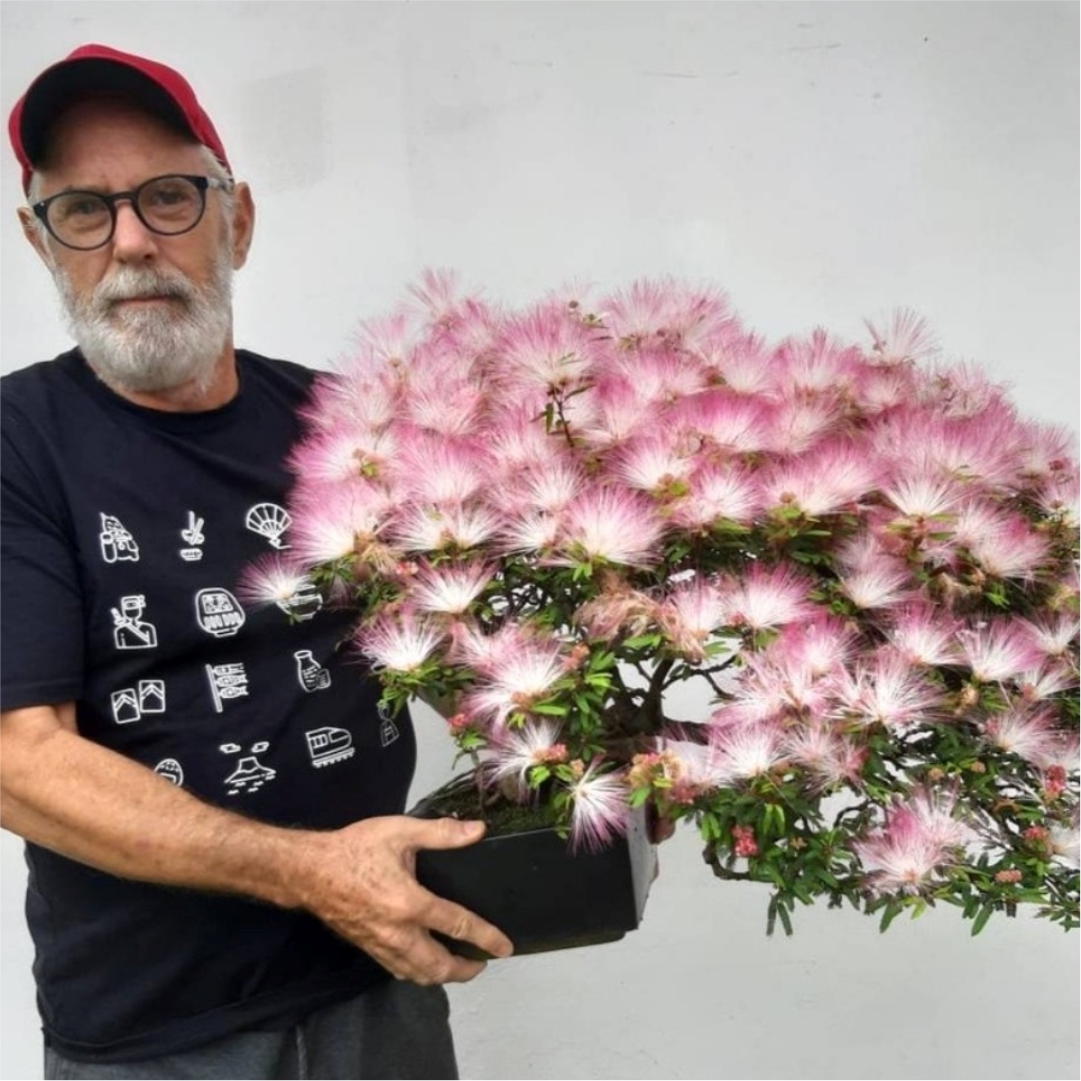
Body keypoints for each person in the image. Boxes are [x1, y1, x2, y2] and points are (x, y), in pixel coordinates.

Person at [0, 44, 513, 1081]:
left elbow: (464, 653)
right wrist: (312, 873)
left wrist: (625, 751)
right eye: (85, 211)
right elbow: (19, 758)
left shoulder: (347, 421)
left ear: (236, 219)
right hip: (160, 1037)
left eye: (170, 196)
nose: (133, 241)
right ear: (41, 241)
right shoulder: (19, 442)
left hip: (382, 978)